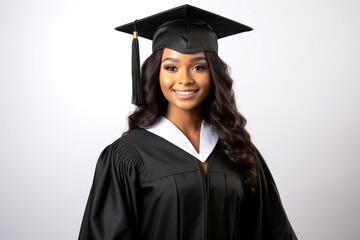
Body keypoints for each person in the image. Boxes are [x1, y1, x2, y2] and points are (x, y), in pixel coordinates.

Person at [79, 4, 297, 240]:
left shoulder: (238, 151)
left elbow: (273, 232)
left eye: (198, 67)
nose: (184, 79)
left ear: (213, 73)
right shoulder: (127, 156)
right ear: (156, 73)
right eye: (171, 67)